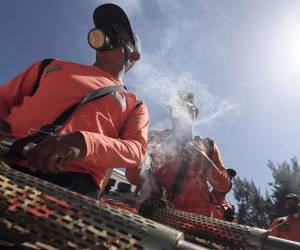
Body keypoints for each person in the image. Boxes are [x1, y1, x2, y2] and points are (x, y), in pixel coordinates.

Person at [0, 3, 149, 198]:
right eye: (105, 28)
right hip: (6, 156)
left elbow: (136, 150)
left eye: (118, 31)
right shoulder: (50, 65)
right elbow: (3, 99)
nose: (107, 32)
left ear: (133, 54)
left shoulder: (134, 103)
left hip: (70, 184)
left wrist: (84, 143)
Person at [126, 90, 231, 216]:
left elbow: (224, 186)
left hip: (197, 219)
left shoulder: (208, 146)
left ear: (194, 112)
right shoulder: (156, 138)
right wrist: (148, 177)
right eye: (174, 109)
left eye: (185, 108)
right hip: (157, 214)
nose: (179, 114)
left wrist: (206, 164)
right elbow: (132, 176)